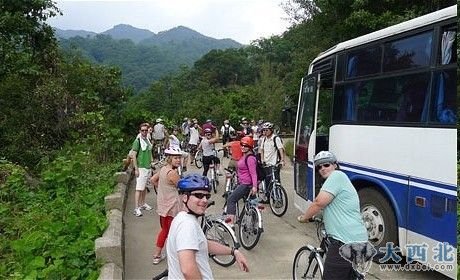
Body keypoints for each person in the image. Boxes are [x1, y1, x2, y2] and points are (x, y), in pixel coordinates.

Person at [297, 151, 368, 279]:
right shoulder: (338, 180)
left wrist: (304, 217)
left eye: (326, 164)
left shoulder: (337, 176)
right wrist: (317, 217)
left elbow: (319, 203)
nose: (323, 168)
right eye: (319, 167)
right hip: (356, 239)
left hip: (344, 242)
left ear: (335, 165)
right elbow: (334, 207)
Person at [166, 174, 250, 279]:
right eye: (198, 195)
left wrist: (234, 252)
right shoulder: (187, 225)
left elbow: (202, 243)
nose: (205, 200)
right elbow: (188, 269)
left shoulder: (184, 218)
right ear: (184, 197)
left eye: (207, 196)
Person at [150, 147, 182, 264]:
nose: (178, 160)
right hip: (171, 207)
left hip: (163, 206)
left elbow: (153, 179)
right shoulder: (172, 173)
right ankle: (157, 255)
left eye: (179, 158)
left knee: (165, 230)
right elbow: (182, 187)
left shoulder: (164, 169)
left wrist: (162, 189)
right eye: (175, 158)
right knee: (170, 231)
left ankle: (160, 254)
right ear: (169, 159)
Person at [225, 136, 258, 226]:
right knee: (252, 204)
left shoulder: (250, 158)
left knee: (231, 199)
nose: (243, 147)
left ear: (250, 147)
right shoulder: (245, 155)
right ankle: (254, 225)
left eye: (245, 146)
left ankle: (230, 223)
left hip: (246, 185)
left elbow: (253, 173)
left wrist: (255, 186)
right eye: (242, 145)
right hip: (244, 183)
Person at [131, 123, 154, 217]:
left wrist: (151, 161)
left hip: (148, 167)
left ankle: (142, 203)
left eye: (146, 130)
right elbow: (133, 155)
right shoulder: (137, 141)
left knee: (144, 187)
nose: (144, 132)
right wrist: (136, 169)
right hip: (141, 167)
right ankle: (136, 208)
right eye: (142, 130)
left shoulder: (147, 140)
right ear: (140, 131)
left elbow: (149, 151)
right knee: (139, 188)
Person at [259, 122, 286, 199]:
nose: (264, 132)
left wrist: (282, 160)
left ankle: (278, 198)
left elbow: (281, 149)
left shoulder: (275, 138)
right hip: (266, 163)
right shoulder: (264, 139)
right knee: (267, 181)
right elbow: (261, 150)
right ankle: (268, 197)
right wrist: (262, 159)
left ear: (271, 130)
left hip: (274, 164)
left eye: (266, 130)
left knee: (276, 181)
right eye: (263, 130)